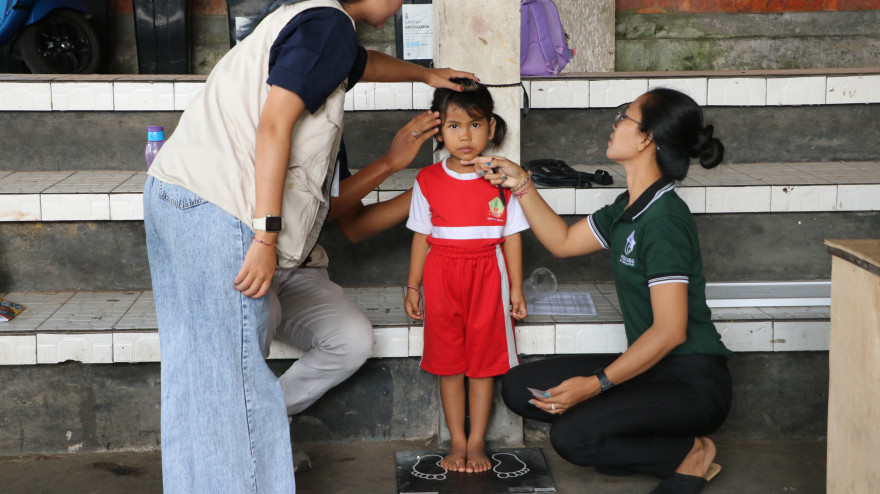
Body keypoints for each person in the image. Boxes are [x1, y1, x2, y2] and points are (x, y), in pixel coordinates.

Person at [143, 0, 476, 490]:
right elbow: (274, 123)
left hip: (182, 196)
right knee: (231, 383)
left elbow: (363, 63)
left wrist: (429, 77)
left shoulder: (315, 24)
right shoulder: (330, 25)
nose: (404, 4)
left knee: (205, 379)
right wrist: (266, 235)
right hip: (223, 211)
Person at [470, 87, 734, 494]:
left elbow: (670, 332)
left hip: (691, 381)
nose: (614, 125)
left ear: (647, 138)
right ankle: (649, 433)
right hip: (650, 367)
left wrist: (595, 384)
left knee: (573, 438)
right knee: (519, 388)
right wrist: (521, 183)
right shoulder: (628, 206)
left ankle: (689, 453)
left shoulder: (664, 219)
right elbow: (562, 241)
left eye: (623, 117)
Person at [262, 110, 442, 471]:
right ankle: (254, 437)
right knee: (261, 317)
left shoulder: (328, 128)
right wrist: (390, 163)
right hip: (249, 264)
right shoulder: (254, 115)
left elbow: (352, 225)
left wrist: (432, 188)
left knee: (353, 340)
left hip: (302, 269)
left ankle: (263, 419)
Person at [404, 79, 529, 474]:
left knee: (482, 364)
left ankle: (477, 443)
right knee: (449, 364)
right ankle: (457, 439)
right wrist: (413, 286)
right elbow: (422, 237)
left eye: (475, 125)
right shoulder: (427, 180)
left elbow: (510, 239)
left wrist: (517, 287)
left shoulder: (502, 178)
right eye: (455, 126)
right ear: (439, 131)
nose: (466, 135)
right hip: (442, 278)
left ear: (491, 128)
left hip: (488, 277)